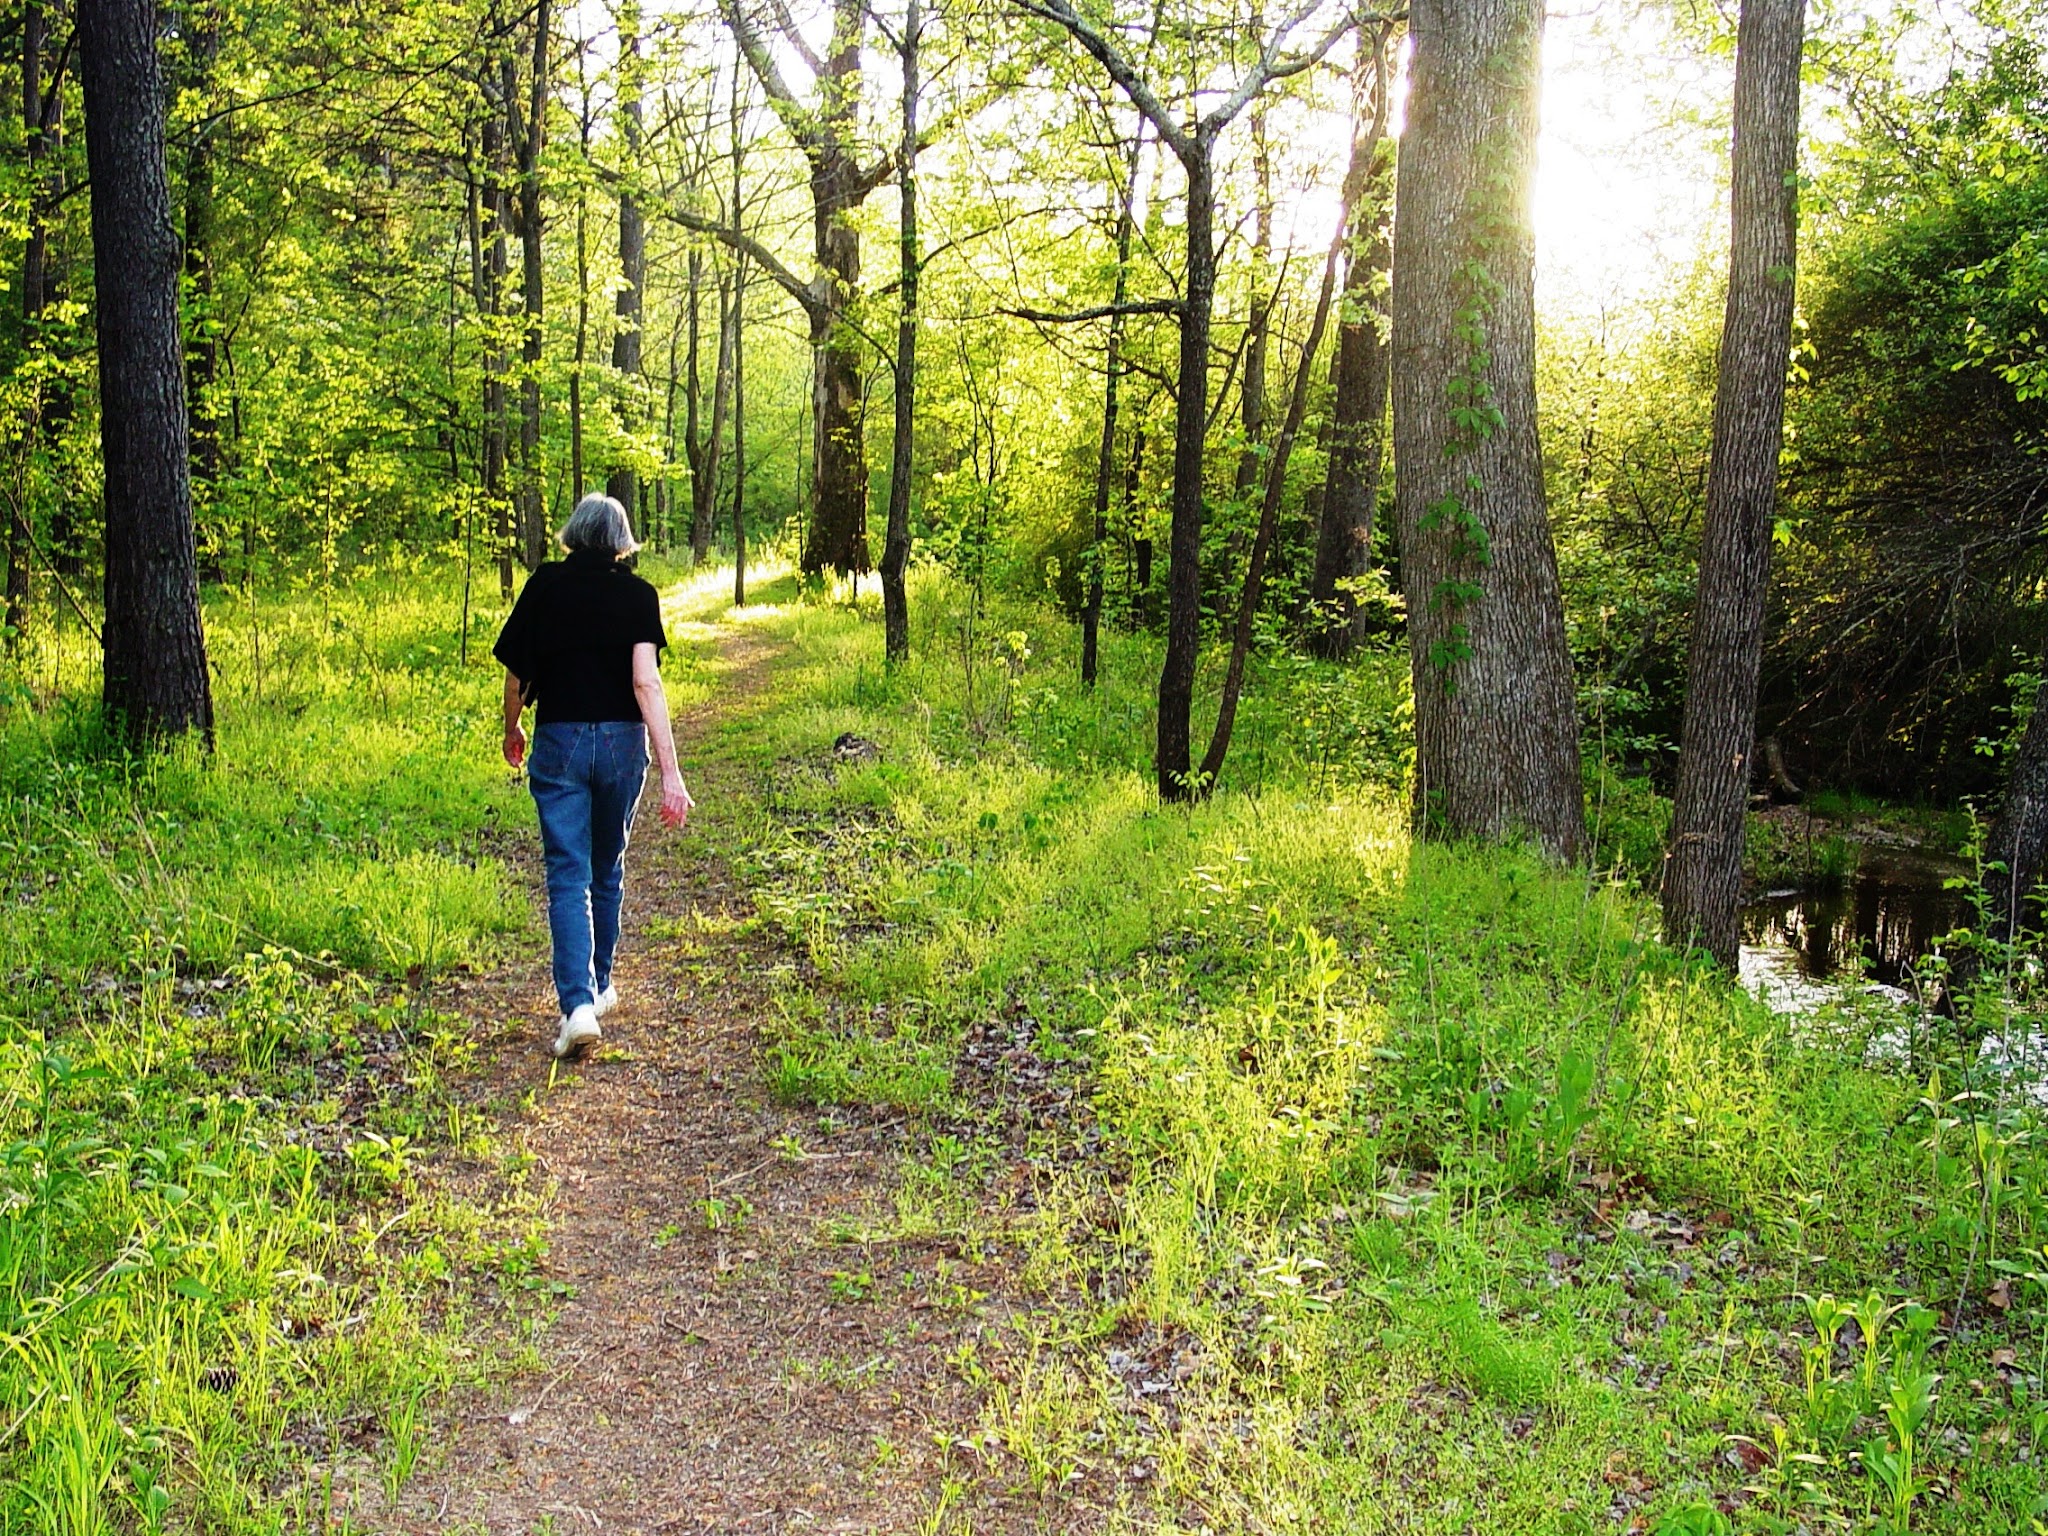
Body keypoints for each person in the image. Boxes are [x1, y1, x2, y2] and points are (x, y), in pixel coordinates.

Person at [493, 494, 693, 1058]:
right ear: (623, 541)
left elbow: (516, 678)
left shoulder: (544, 587)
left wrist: (513, 728)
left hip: (560, 740)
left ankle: (578, 1004)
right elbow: (645, 684)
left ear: (573, 534)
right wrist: (671, 772)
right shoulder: (638, 595)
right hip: (622, 746)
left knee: (566, 873)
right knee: (607, 866)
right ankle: (600, 985)